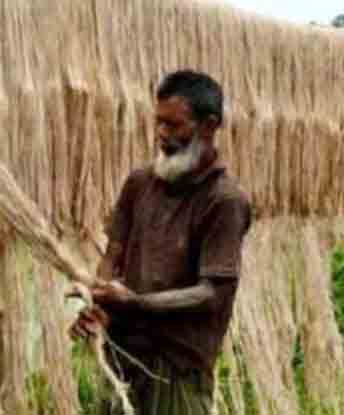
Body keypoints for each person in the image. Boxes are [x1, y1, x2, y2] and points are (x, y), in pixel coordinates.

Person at [71, 69, 252, 415]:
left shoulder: (224, 200)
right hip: (122, 360)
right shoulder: (139, 183)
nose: (161, 135)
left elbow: (212, 292)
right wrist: (98, 302)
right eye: (158, 123)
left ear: (210, 126)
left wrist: (137, 303)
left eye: (174, 125)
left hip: (177, 372)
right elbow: (113, 254)